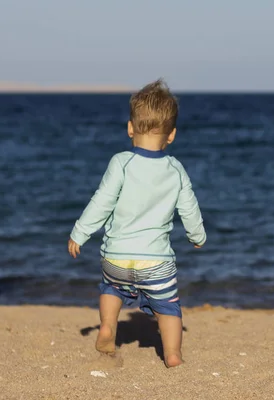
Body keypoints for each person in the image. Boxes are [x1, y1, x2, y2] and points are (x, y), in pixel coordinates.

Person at [68, 79, 206, 368]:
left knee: (110, 288)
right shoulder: (176, 169)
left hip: (116, 257)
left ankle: (107, 326)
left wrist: (80, 232)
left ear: (130, 128)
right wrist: (197, 235)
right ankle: (172, 354)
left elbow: (101, 201)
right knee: (168, 307)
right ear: (172, 135)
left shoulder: (121, 162)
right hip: (155, 262)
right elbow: (189, 208)